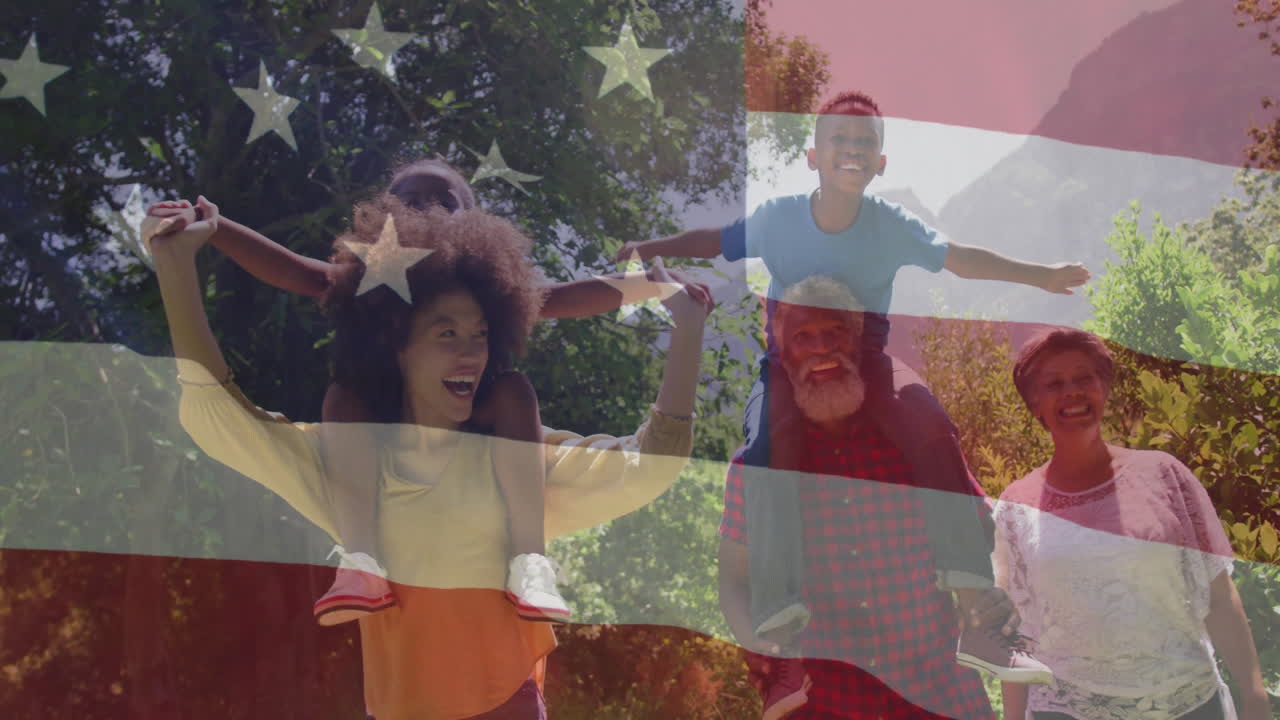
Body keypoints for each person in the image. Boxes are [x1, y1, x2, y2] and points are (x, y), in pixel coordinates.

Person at [143, 194, 708, 719]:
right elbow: (219, 419)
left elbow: (650, 466)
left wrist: (687, 331)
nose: (471, 353)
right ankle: (361, 563)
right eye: (446, 334)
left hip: (506, 703)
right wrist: (176, 262)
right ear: (398, 346)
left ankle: (528, 564)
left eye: (481, 334)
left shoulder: (516, 462)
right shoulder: (349, 466)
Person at [620, 90, 1068, 710]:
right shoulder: (779, 219)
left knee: (928, 423)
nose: (852, 152)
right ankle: (780, 649)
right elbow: (717, 240)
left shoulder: (889, 226)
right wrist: (657, 247)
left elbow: (960, 260)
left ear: (881, 162)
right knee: (765, 450)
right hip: (786, 362)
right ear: (813, 154)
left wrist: (1039, 276)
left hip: (872, 358)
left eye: (865, 144)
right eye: (840, 141)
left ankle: (974, 613)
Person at [719, 276, 1035, 719]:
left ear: (859, 344)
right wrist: (760, 648)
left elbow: (987, 531)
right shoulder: (760, 471)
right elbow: (734, 578)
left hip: (940, 693)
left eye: (835, 332)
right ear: (784, 359)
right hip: (823, 702)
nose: (821, 349)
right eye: (803, 338)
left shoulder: (919, 445)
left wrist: (991, 596)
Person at [995, 329, 1272, 720]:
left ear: (1103, 388)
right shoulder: (1016, 505)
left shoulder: (1164, 475)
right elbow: (1017, 631)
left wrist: (1254, 695)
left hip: (1185, 703)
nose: (1071, 391)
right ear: (1034, 404)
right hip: (1066, 709)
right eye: (1053, 383)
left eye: (1083, 378)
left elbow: (1219, 597)